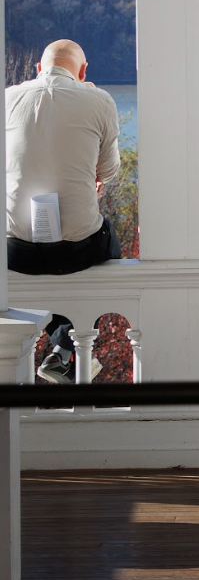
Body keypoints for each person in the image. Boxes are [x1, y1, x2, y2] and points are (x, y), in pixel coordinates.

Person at [5, 39, 124, 384]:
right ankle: (65, 351)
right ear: (83, 71)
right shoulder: (99, 100)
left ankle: (61, 348)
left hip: (16, 250)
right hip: (78, 250)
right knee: (104, 239)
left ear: (37, 69)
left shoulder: (8, 98)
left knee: (45, 257)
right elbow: (110, 171)